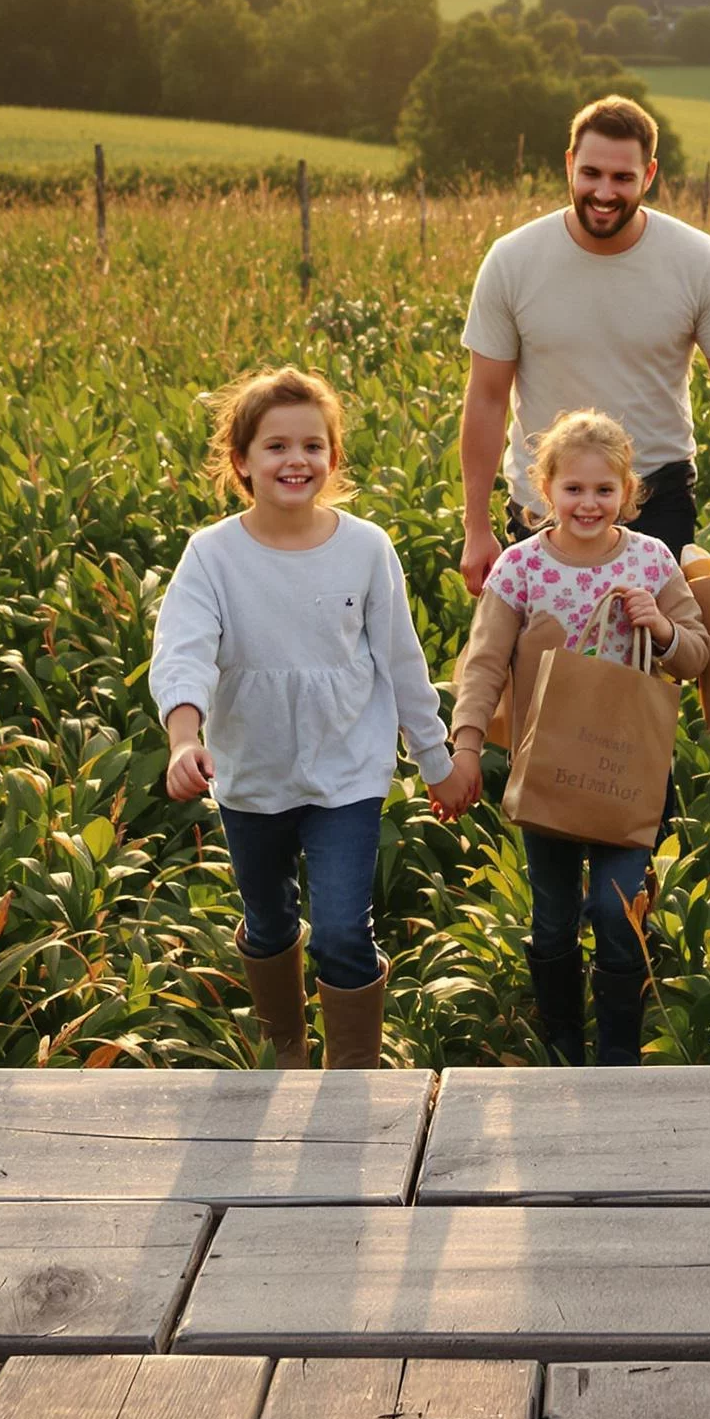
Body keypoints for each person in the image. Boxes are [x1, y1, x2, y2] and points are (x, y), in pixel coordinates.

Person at [150, 366, 460, 1069]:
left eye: (313, 446)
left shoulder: (366, 548)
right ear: (241, 462)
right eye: (276, 446)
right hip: (251, 771)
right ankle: (283, 1052)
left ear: (333, 458)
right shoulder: (213, 556)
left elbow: (401, 663)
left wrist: (436, 762)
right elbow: (184, 653)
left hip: (347, 770)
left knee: (345, 932)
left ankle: (351, 1082)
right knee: (268, 924)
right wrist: (183, 740)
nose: (297, 461)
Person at [444, 409, 710, 1064]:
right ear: (544, 489)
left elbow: (699, 655)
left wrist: (663, 628)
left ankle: (617, 1050)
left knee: (620, 914)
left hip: (630, 768)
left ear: (628, 491)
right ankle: (564, 1040)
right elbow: (482, 664)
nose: (588, 503)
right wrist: (468, 744)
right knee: (554, 918)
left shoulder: (651, 561)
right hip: (550, 768)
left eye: (603, 490)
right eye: (573, 489)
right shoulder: (520, 568)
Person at [458, 94, 710, 590]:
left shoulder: (696, 259)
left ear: (650, 174)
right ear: (570, 164)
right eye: (591, 173)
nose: (603, 191)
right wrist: (475, 526)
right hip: (544, 505)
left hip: (656, 503)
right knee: (541, 663)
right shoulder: (513, 260)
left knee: (652, 660)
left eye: (622, 178)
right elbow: (486, 398)